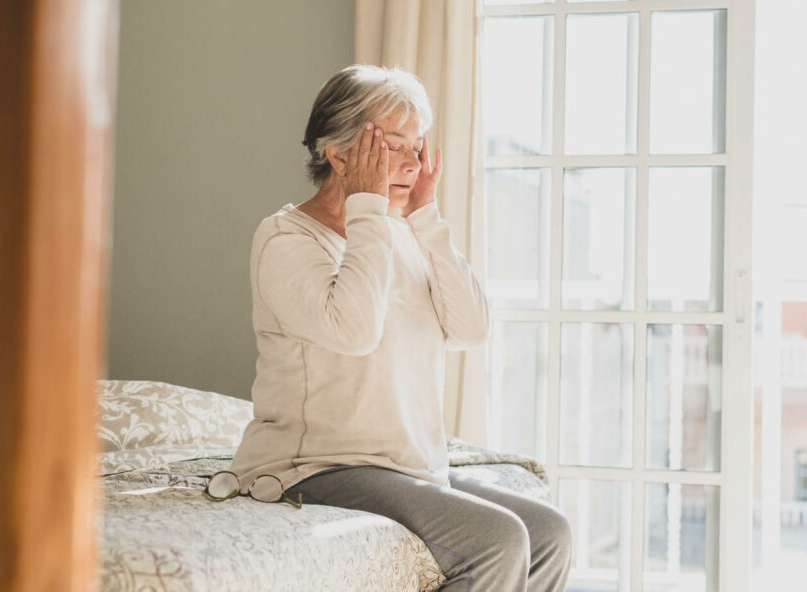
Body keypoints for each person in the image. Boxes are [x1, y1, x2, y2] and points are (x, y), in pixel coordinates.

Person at [230, 65, 571, 590]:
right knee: (498, 539)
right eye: (393, 145)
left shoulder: (400, 234)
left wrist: (425, 220)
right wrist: (368, 210)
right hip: (316, 467)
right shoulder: (284, 239)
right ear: (338, 155)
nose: (414, 161)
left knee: (549, 531)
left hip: (404, 465)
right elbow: (354, 331)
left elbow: (472, 329)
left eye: (419, 145)